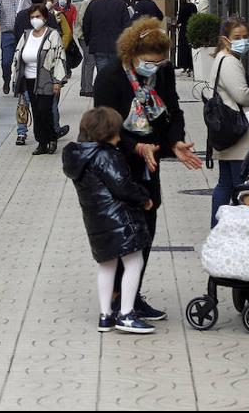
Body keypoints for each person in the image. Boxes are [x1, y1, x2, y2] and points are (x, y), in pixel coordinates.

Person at [92, 18, 203, 321]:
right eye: (149, 62)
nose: (155, 67)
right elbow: (104, 127)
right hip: (117, 165)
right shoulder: (110, 76)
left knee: (146, 229)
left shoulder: (162, 74)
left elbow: (173, 110)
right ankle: (116, 299)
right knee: (121, 232)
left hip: (150, 161)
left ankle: (131, 294)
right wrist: (135, 147)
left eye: (160, 62)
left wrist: (176, 141)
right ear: (132, 54)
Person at [62, 107, 155, 334]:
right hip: (120, 220)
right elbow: (122, 186)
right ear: (109, 133)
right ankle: (126, 314)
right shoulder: (107, 156)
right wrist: (144, 198)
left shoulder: (78, 157)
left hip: (96, 222)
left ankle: (105, 315)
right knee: (134, 262)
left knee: (106, 265)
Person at [207, 18, 249, 226]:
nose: (243, 41)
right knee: (239, 185)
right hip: (237, 134)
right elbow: (242, 96)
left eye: (245, 37)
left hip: (228, 132)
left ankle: (218, 228)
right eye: (237, 38)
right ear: (225, 40)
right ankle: (236, 229)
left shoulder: (222, 59)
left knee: (225, 183)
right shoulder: (230, 62)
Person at [12, 0, 72, 145]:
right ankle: (51, 132)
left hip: (39, 74)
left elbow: (16, 38)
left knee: (28, 105)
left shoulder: (20, 17)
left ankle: (23, 133)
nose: (34, 20)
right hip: (33, 73)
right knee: (48, 107)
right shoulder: (50, 16)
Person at [81, 0, 131, 81]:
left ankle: (104, 92)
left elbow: (86, 24)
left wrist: (89, 41)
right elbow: (127, 26)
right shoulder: (121, 5)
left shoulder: (93, 4)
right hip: (116, 45)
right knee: (116, 73)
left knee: (102, 72)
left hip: (98, 45)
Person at [0, 0, 32, 95]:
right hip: (7, 34)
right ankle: (6, 80)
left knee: (23, 60)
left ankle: (20, 84)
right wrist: (0, 22)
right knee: (6, 62)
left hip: (23, 34)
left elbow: (32, 11)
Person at [75, 0, 103, 97]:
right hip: (84, 36)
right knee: (90, 61)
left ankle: (84, 87)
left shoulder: (92, 2)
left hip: (85, 35)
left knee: (87, 61)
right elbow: (82, 19)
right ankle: (88, 88)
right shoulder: (88, 2)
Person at [174, 0, 197, 77]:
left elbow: (179, 20)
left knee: (183, 48)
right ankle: (191, 67)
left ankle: (183, 66)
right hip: (191, 28)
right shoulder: (193, 6)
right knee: (189, 48)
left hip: (183, 29)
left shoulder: (182, 7)